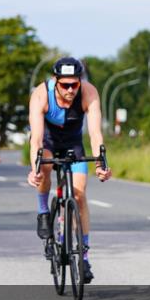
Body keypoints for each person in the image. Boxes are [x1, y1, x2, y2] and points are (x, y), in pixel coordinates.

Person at [26, 57, 112, 283]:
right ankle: (44, 211)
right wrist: (34, 167)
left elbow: (95, 134)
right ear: (55, 81)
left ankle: (83, 256)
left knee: (80, 194)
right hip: (48, 143)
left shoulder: (89, 92)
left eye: (75, 84)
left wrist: (101, 164)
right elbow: (35, 138)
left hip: (74, 145)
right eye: (65, 85)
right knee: (43, 170)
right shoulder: (40, 94)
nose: (71, 90)